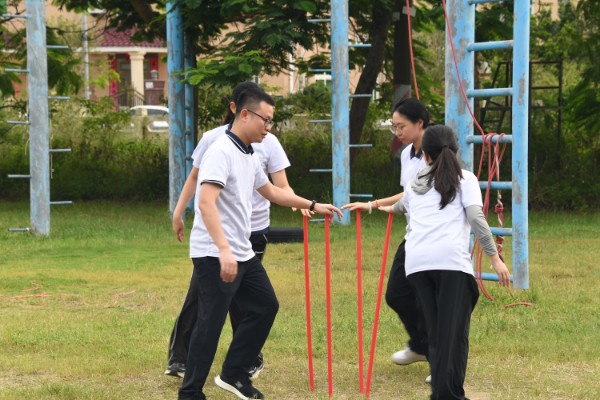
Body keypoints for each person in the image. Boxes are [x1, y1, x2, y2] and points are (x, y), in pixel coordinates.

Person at [178, 86, 342, 400]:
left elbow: (271, 191)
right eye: (265, 120)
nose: (268, 127)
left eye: (270, 121)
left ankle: (234, 374)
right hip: (214, 252)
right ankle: (190, 392)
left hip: (241, 250)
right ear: (244, 114)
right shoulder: (220, 151)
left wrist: (312, 205)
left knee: (265, 305)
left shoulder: (249, 153)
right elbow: (206, 203)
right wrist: (224, 250)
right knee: (210, 323)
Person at [378, 124, 511, 399]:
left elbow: (400, 206)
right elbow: (476, 219)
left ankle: (445, 393)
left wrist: (371, 206)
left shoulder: (415, 184)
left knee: (439, 334)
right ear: (455, 151)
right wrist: (495, 259)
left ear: (425, 155)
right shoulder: (465, 179)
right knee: (453, 335)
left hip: (416, 265)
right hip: (451, 264)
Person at [342, 98, 431, 380]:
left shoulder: (437, 151)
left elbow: (421, 192)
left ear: (420, 123)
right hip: (413, 233)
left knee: (431, 299)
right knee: (396, 294)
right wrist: (373, 205)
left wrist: (375, 204)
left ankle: (440, 358)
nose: (397, 132)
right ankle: (422, 345)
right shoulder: (406, 154)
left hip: (435, 237)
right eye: (394, 127)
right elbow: (408, 194)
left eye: (401, 126)